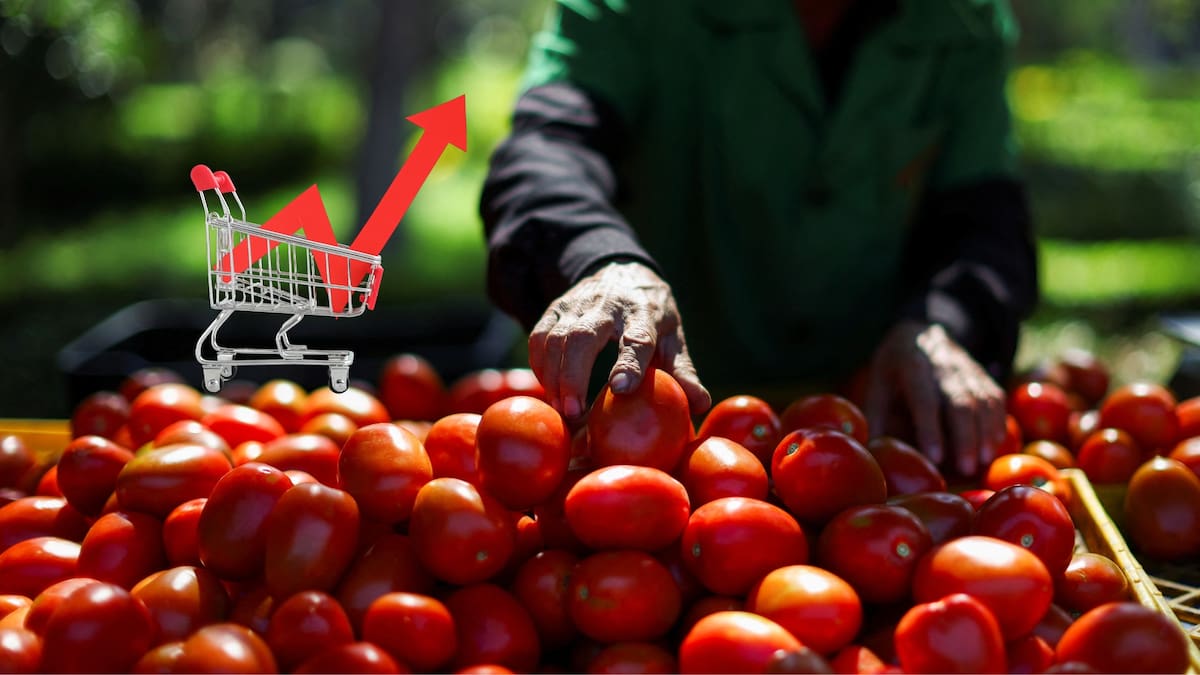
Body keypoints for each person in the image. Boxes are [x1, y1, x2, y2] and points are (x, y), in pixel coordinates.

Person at [479, 0, 1039, 476]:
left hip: (866, 444)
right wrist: (600, 260)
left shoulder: (961, 21)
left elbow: (984, 220)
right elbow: (546, 153)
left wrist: (944, 321)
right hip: (611, 428)